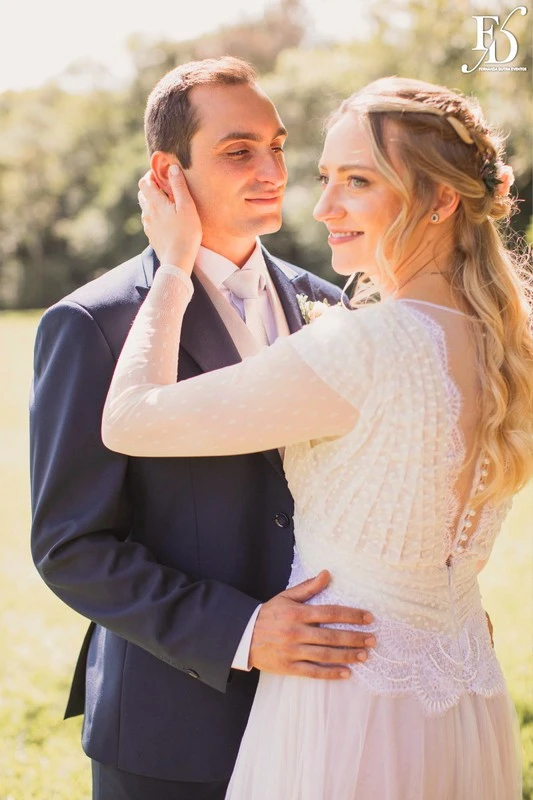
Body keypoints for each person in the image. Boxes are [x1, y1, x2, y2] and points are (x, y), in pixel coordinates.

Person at [102, 76, 533, 799]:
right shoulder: (506, 342)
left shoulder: (364, 343)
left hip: (348, 699)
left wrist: (173, 266)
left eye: (357, 180)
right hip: (459, 688)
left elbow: (130, 419)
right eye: (325, 176)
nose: (322, 205)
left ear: (441, 199)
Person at [29, 57, 376, 800]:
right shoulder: (94, 325)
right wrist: (243, 631)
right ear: (168, 172)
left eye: (278, 145)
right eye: (237, 150)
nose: (271, 168)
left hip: (330, 708)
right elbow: (71, 546)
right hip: (175, 727)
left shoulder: (331, 305)